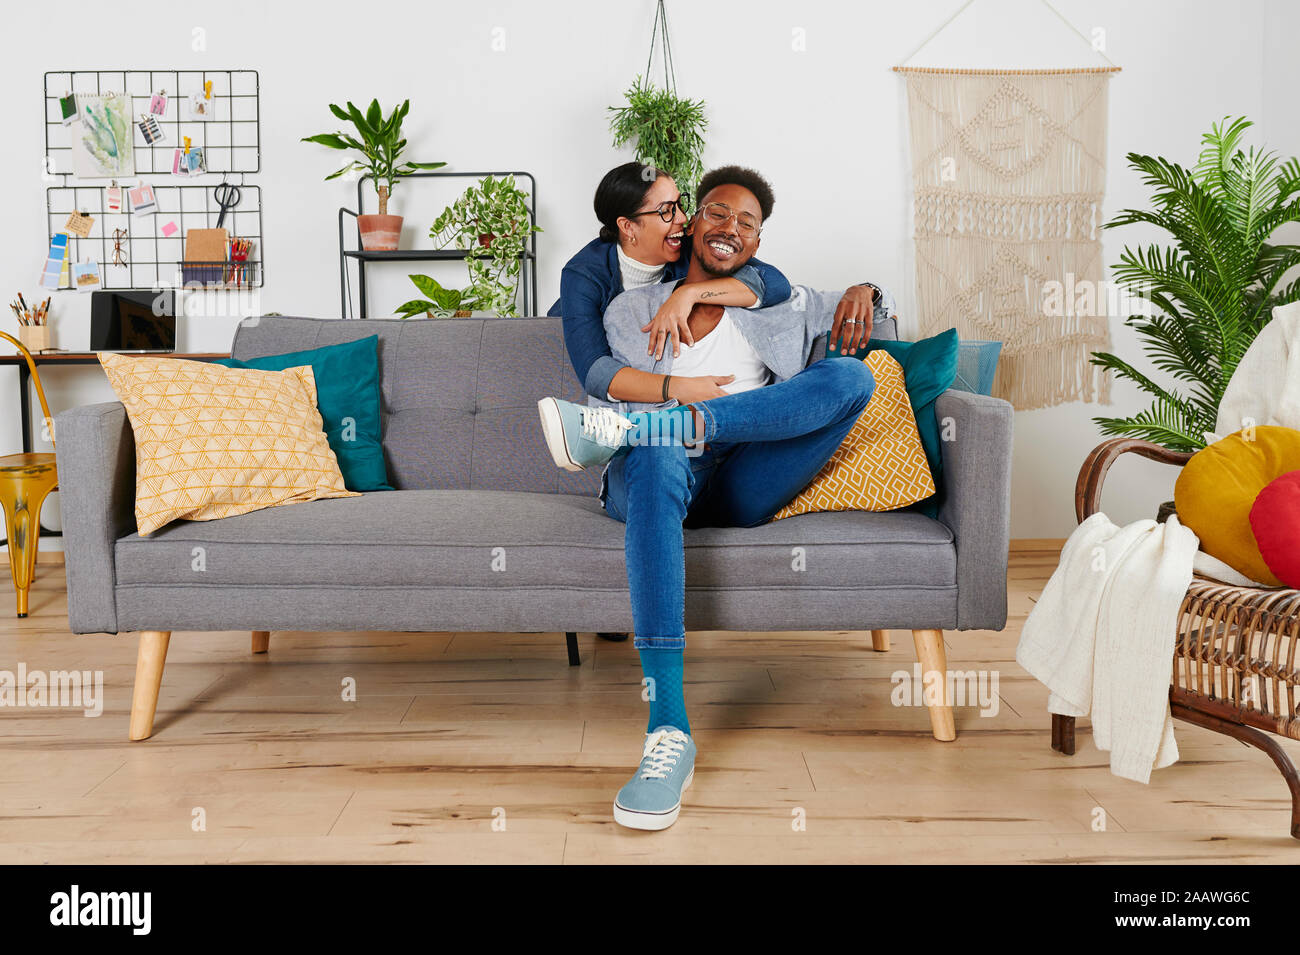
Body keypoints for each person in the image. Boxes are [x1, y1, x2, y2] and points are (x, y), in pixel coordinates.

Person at [537, 165, 893, 829]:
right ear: (690, 225)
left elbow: (872, 313)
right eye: (715, 213)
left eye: (748, 222)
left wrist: (868, 289)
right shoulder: (626, 307)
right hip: (652, 472)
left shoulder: (778, 299)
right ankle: (668, 728)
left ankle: (680, 424)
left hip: (739, 476)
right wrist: (663, 415)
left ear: (757, 243)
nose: (731, 227)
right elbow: (602, 378)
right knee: (659, 447)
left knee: (849, 375)